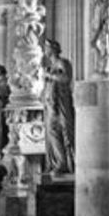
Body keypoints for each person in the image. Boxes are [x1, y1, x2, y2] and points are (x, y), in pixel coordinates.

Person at [42, 39, 76, 175]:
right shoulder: (51, 65)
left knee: (64, 130)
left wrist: (49, 75)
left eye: (47, 48)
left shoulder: (62, 62)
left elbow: (66, 78)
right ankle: (58, 161)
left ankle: (65, 162)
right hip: (51, 103)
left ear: (53, 49)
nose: (45, 50)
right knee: (52, 132)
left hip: (62, 102)